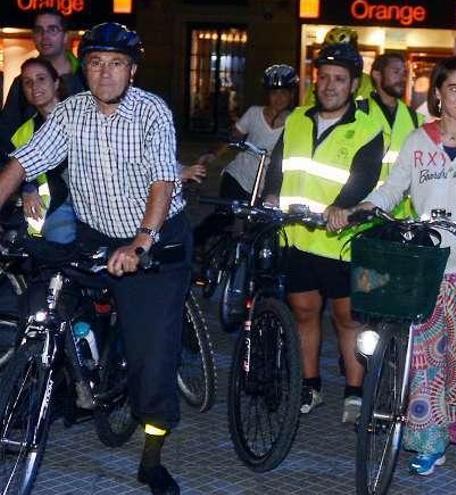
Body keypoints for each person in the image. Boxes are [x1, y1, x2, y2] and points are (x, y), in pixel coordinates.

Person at [0, 22, 190, 494]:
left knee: (152, 356)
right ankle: (47, 389)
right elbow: (24, 162)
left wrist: (141, 242)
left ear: (133, 70)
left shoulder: (151, 114)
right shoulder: (70, 113)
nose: (106, 73)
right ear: (85, 69)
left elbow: (162, 183)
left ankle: (152, 454)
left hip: (154, 241)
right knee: (43, 306)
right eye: (97, 63)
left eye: (117, 64)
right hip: (96, 234)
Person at [329, 56, 456, 475]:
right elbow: (394, 188)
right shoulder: (417, 141)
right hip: (425, 266)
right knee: (424, 358)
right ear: (438, 96)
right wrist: (361, 209)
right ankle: (428, 441)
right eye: (454, 89)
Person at [263, 41, 384, 424]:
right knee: (304, 312)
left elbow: (366, 175)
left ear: (354, 85)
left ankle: (354, 392)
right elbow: (279, 165)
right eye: (324, 77)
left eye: (339, 79)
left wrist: (343, 207)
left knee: (348, 319)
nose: (330, 85)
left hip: (344, 242)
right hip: (298, 237)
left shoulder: (368, 127)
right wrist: (271, 194)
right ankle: (310, 386)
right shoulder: (297, 118)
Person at [191, 64, 297, 246]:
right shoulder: (254, 113)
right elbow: (232, 138)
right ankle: (190, 247)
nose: (279, 98)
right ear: (267, 95)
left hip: (265, 186)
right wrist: (211, 155)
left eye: (284, 93)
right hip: (238, 177)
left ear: (291, 95)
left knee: (259, 231)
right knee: (223, 218)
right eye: (274, 93)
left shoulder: (296, 121)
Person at [0, 7, 86, 160]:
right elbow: (7, 133)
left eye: (52, 30)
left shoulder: (86, 77)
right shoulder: (22, 83)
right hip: (36, 172)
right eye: (39, 30)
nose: (44, 36)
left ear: (65, 36)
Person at [9, 57, 76, 244]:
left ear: (56, 83)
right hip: (60, 203)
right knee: (57, 243)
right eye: (27, 82)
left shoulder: (82, 115)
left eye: (41, 79)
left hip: (100, 200)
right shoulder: (23, 133)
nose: (34, 86)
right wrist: (27, 188)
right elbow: (19, 174)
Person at [367, 52, 424, 217]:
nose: (402, 78)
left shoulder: (416, 119)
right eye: (396, 72)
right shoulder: (358, 113)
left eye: (404, 73)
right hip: (364, 212)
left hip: (401, 219)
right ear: (377, 75)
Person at [304, 27, 374, 105]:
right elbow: (307, 110)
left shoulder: (370, 85)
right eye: (328, 53)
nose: (329, 86)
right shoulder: (317, 86)